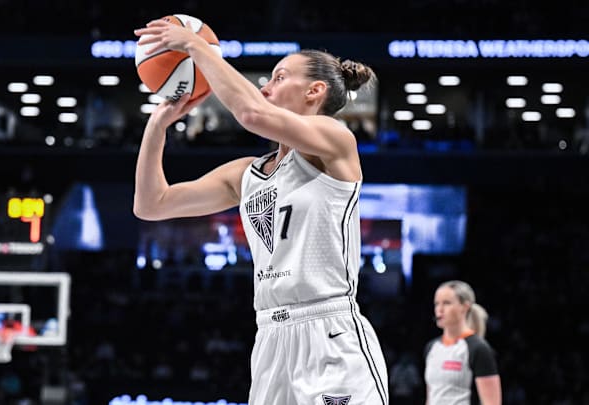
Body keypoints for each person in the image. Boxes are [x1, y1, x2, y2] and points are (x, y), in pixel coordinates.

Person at [134, 18, 388, 405]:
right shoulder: (246, 174)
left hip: (329, 332)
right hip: (270, 338)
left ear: (314, 91)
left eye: (279, 77)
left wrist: (196, 47)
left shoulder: (335, 140)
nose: (264, 88)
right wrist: (158, 124)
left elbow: (251, 113)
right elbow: (151, 204)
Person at [424, 280, 501, 405]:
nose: (440, 309)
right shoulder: (431, 347)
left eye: (446, 303)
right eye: (437, 304)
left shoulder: (479, 349)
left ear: (464, 307)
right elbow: (431, 397)